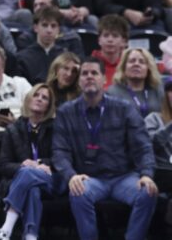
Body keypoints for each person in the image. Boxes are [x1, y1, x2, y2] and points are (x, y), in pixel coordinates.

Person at [52, 57, 158, 240]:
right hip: (89, 178)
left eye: (94, 73)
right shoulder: (66, 111)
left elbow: (143, 146)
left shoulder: (124, 108)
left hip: (123, 177)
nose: (89, 77)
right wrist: (71, 175)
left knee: (148, 191)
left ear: (104, 79)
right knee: (78, 191)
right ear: (79, 81)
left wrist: (147, 174)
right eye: (84, 73)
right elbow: (59, 151)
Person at [0, 84, 58, 240]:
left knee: (29, 173)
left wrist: (41, 162)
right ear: (28, 99)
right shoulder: (13, 129)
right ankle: (30, 236)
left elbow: (61, 157)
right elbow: (3, 165)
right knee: (31, 188)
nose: (40, 99)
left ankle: (6, 229)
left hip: (50, 178)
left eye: (45, 97)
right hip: (24, 180)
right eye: (36, 95)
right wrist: (23, 165)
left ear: (49, 105)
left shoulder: (56, 128)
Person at [17, 6, 80, 85]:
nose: (49, 30)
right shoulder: (22, 58)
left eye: (53, 26)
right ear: (35, 27)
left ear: (58, 30)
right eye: (44, 25)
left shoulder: (66, 58)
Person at [106, 48, 163, 118]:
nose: (136, 64)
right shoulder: (113, 92)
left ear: (149, 69)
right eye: (132, 61)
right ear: (124, 67)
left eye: (142, 62)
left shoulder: (157, 89)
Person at [93, 14, 130, 88]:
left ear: (124, 42)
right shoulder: (88, 64)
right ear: (99, 40)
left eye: (115, 36)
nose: (110, 40)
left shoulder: (129, 66)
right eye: (106, 35)